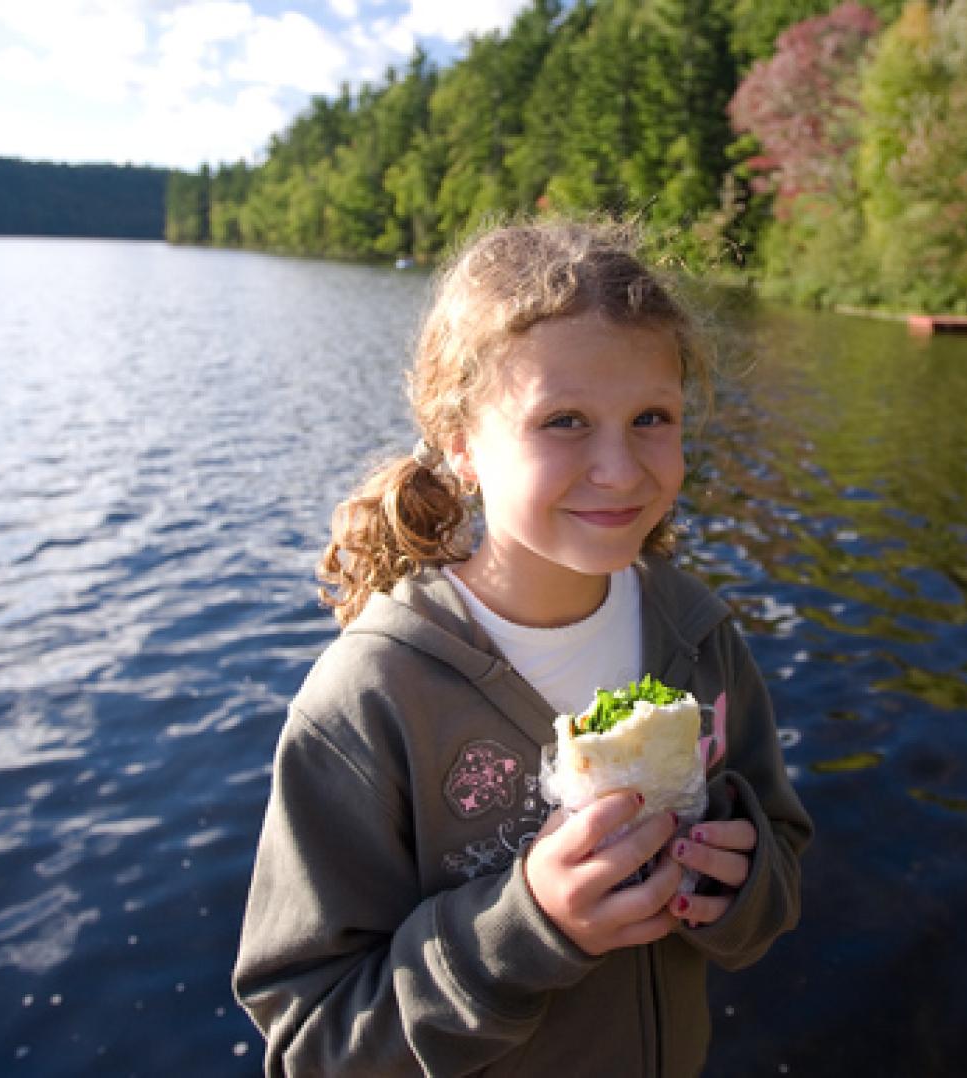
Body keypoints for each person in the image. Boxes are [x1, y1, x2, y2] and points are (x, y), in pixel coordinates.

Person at [233, 221, 812, 1076]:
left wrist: (743, 881)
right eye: (565, 421)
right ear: (462, 444)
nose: (620, 469)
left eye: (652, 417)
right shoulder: (372, 699)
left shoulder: (697, 634)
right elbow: (315, 1042)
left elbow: (782, 857)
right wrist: (528, 925)